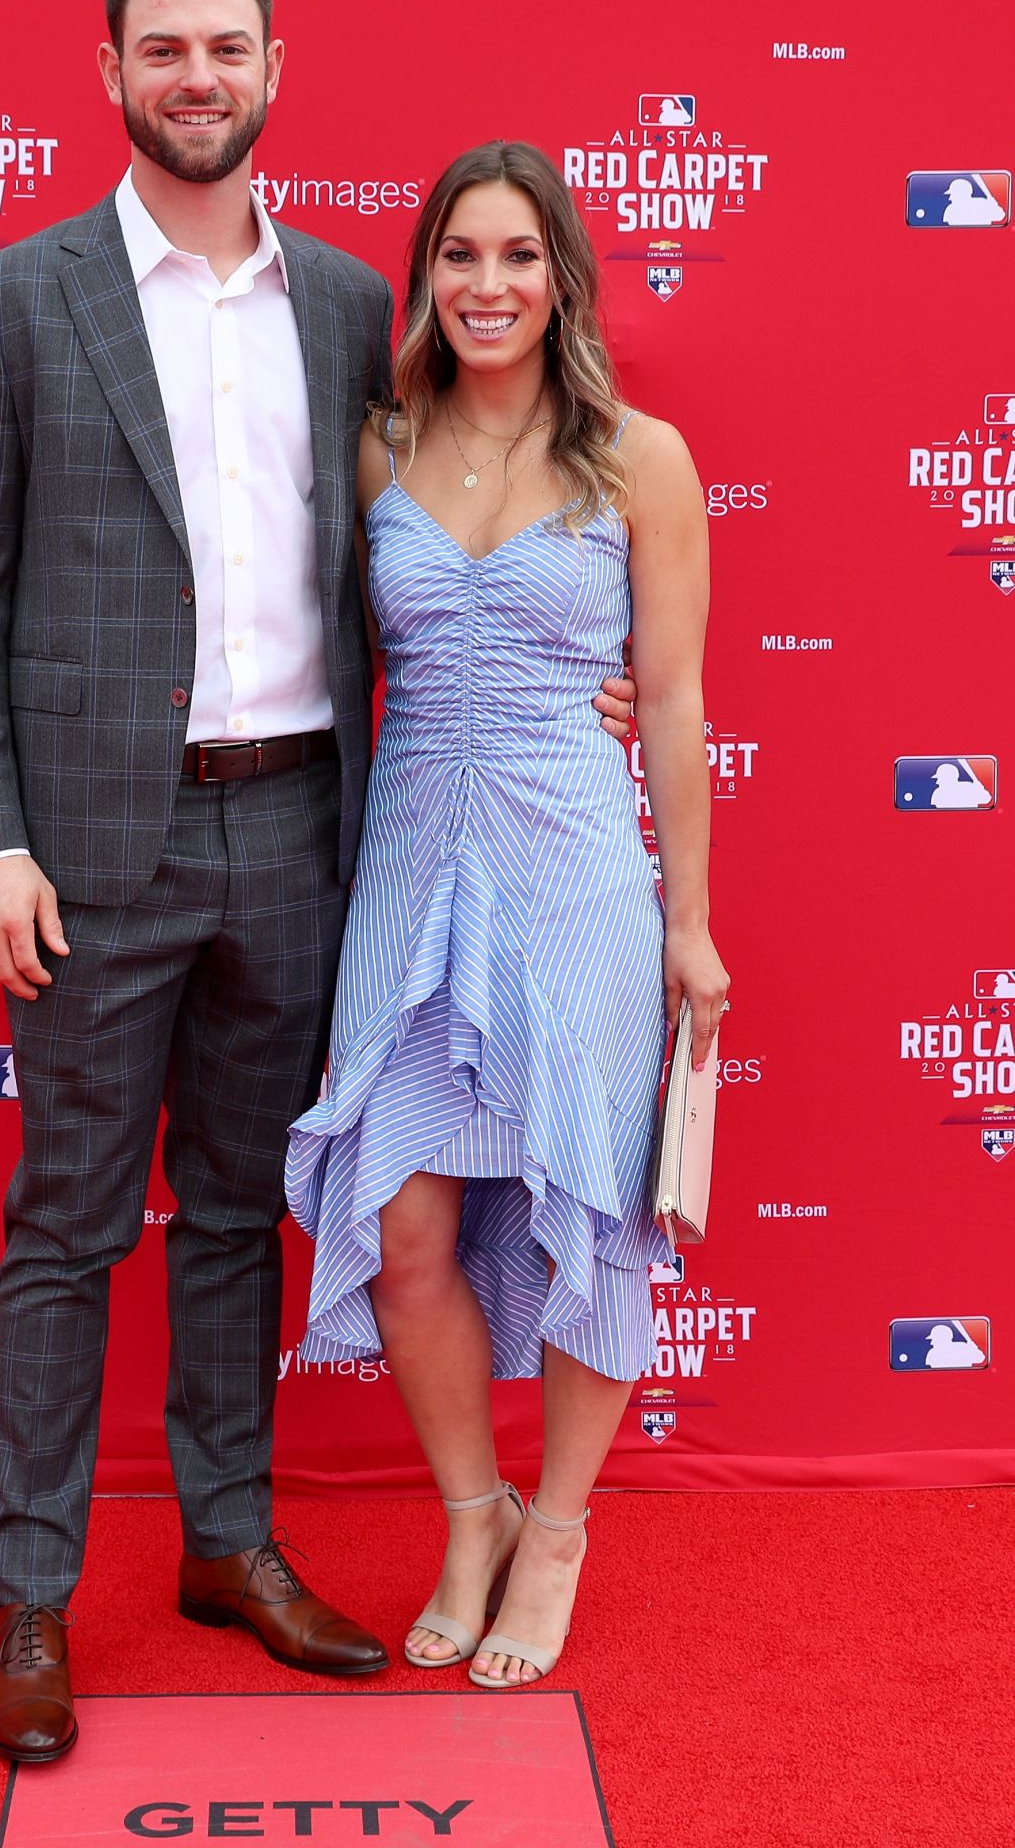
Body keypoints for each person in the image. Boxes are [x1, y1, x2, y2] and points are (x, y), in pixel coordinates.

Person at [0, 0, 636, 1765]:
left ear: (273, 66)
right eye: (162, 49)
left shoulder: (343, 312)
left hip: (308, 829)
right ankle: (33, 1597)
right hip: (87, 850)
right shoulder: (8, 301)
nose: (197, 76)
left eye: (225, 45)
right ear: (109, 73)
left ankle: (227, 1543)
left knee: (238, 1213)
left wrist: (582, 693)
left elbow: (467, 553)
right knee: (68, 1230)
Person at [287, 141, 728, 1691]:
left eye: (518, 258)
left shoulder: (637, 461)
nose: (487, 287)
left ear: (562, 281)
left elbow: (667, 701)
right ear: (425, 281)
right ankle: (466, 1516)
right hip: (409, 870)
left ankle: (553, 1532)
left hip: (573, 877)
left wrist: (689, 921)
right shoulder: (376, 448)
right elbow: (333, 670)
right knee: (403, 1222)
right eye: (460, 258)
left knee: (590, 1215)